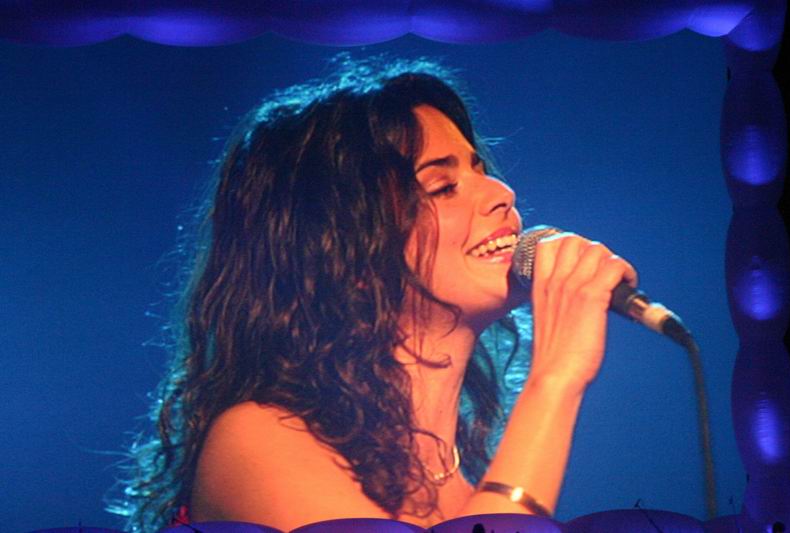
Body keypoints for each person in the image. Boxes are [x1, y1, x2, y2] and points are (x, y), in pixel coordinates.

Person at [110, 55, 636, 532]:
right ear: (348, 254)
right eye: (443, 187)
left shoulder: (465, 483)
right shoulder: (257, 441)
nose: (502, 193)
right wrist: (555, 379)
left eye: (479, 168)